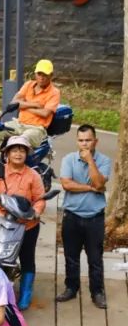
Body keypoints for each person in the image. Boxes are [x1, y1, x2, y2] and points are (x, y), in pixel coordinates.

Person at [0, 135, 45, 311]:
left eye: (22, 150)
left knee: (27, 257)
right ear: (7, 154)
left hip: (26, 225)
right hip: (1, 222)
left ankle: (25, 292)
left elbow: (40, 199)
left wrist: (35, 212)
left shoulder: (33, 176)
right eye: (14, 150)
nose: (18, 154)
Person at [57, 124, 110, 309]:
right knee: (71, 257)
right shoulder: (68, 159)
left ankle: (97, 292)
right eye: (81, 140)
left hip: (95, 218)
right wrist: (90, 188)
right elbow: (66, 184)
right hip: (72, 216)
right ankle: (71, 288)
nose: (84, 144)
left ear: (96, 141)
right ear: (77, 141)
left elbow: (99, 182)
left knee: (95, 258)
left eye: (88, 140)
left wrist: (90, 161)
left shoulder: (104, 161)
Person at [0, 59, 61, 155]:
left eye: (45, 75)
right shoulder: (28, 84)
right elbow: (14, 102)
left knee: (20, 141)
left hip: (36, 129)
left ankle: (15, 161)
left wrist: (23, 105)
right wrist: (35, 105)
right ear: (35, 74)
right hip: (18, 123)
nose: (41, 77)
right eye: (39, 74)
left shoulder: (54, 92)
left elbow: (45, 113)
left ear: (51, 75)